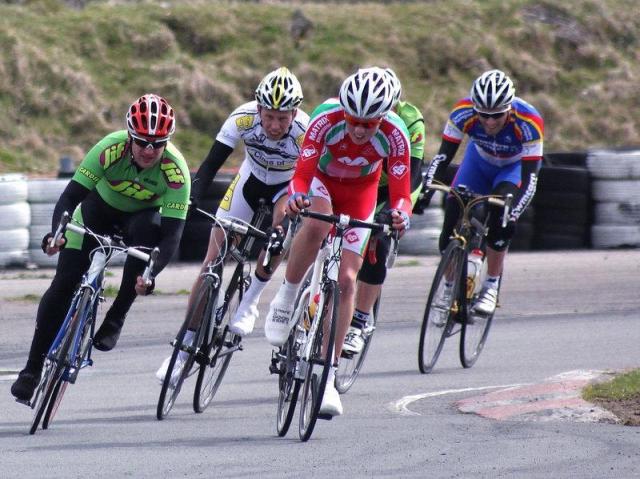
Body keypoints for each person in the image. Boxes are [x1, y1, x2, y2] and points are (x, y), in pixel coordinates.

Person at [11, 94, 190, 402]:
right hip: (97, 211)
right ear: (130, 137)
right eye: (142, 141)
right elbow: (69, 199)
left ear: (167, 143)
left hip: (140, 221)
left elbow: (172, 237)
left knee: (148, 233)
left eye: (157, 144)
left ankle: (118, 313)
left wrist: (150, 275)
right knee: (63, 284)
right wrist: (57, 235)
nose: (149, 150)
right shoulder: (109, 149)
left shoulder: (176, 172)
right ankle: (32, 369)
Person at [264, 67, 412, 417]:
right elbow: (300, 175)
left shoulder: (396, 134)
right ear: (344, 111)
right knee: (315, 225)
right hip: (322, 184)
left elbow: (402, 195)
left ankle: (328, 378)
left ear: (384, 118)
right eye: (354, 121)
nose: (360, 130)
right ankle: (286, 298)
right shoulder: (325, 118)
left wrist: (401, 215)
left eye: (369, 124)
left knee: (347, 279)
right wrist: (298, 197)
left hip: (362, 193)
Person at [155, 67, 309, 381]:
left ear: (295, 113)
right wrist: (193, 196)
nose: (275, 125)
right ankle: (183, 347)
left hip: (285, 186)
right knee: (212, 260)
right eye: (269, 117)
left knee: (278, 234)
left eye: (283, 118)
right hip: (250, 180)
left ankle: (249, 302)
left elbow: (309, 178)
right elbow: (211, 164)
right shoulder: (242, 118)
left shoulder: (306, 131)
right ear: (258, 108)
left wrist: (298, 205)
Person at [423, 69, 543, 314]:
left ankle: (491, 285)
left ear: (509, 109)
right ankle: (448, 286)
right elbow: (442, 158)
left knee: (501, 219)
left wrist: (513, 212)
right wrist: (424, 191)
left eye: (497, 115)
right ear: (474, 108)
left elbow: (530, 179)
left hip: (512, 168)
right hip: (477, 163)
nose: (489, 122)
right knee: (450, 225)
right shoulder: (462, 112)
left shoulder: (529, 121)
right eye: (483, 115)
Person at [344, 68, 426, 354]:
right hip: (363, 177)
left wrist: (397, 211)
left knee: (378, 236)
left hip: (395, 183)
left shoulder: (410, 121)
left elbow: (413, 175)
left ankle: (360, 321)